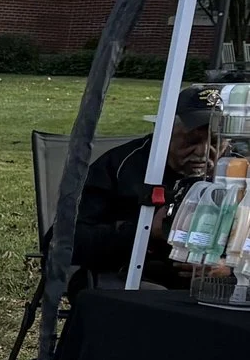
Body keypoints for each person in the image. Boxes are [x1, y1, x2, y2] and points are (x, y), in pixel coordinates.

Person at [73, 86, 221, 290]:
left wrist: (226, 267)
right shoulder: (120, 166)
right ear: (164, 133)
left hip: (212, 286)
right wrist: (145, 231)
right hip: (130, 277)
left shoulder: (237, 174)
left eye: (216, 142)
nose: (204, 152)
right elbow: (65, 241)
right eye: (192, 141)